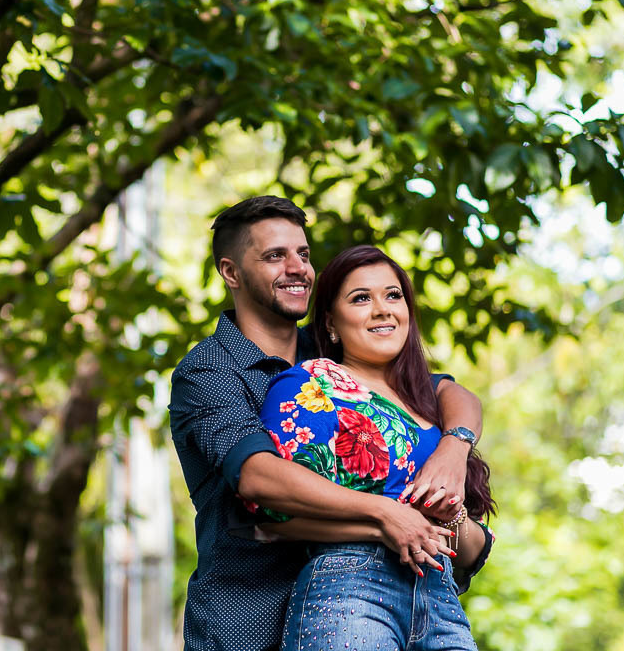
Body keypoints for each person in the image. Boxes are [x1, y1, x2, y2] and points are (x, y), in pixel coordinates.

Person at [170, 196, 484, 651]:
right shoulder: (209, 370)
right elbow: (258, 476)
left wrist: (455, 447)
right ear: (231, 272)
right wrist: (385, 514)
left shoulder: (331, 351)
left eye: (303, 253)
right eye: (274, 256)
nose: (297, 268)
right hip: (250, 615)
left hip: (378, 598)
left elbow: (443, 392)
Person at [257, 245, 495, 651]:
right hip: (350, 590)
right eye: (361, 298)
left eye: (393, 295)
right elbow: (273, 517)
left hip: (441, 602)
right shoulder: (312, 384)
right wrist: (384, 522)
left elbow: (472, 553)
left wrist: (451, 507)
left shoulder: (430, 402)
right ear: (330, 322)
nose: (382, 309)